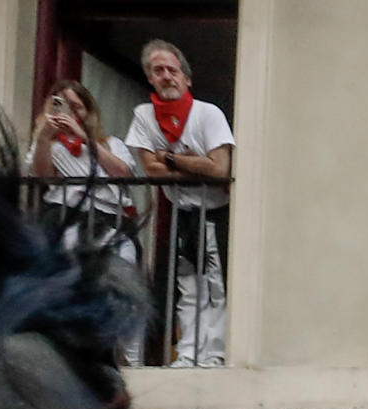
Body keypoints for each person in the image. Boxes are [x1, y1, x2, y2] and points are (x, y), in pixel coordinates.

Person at [124, 39, 233, 367]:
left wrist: (169, 158)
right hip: (183, 212)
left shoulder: (207, 113)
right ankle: (188, 353)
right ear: (150, 79)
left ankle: (213, 354)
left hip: (215, 212)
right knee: (189, 287)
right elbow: (151, 171)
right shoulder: (144, 116)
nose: (167, 76)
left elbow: (221, 168)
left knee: (215, 287)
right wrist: (191, 164)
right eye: (159, 71)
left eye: (173, 70)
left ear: (187, 79)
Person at [26, 79, 142, 365]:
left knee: (125, 286)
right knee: (71, 287)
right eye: (64, 106)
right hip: (69, 221)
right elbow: (43, 175)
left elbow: (123, 172)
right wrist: (44, 137)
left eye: (78, 108)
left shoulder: (110, 143)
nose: (72, 114)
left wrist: (84, 137)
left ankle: (130, 357)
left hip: (109, 223)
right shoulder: (49, 147)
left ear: (89, 112)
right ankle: (72, 355)